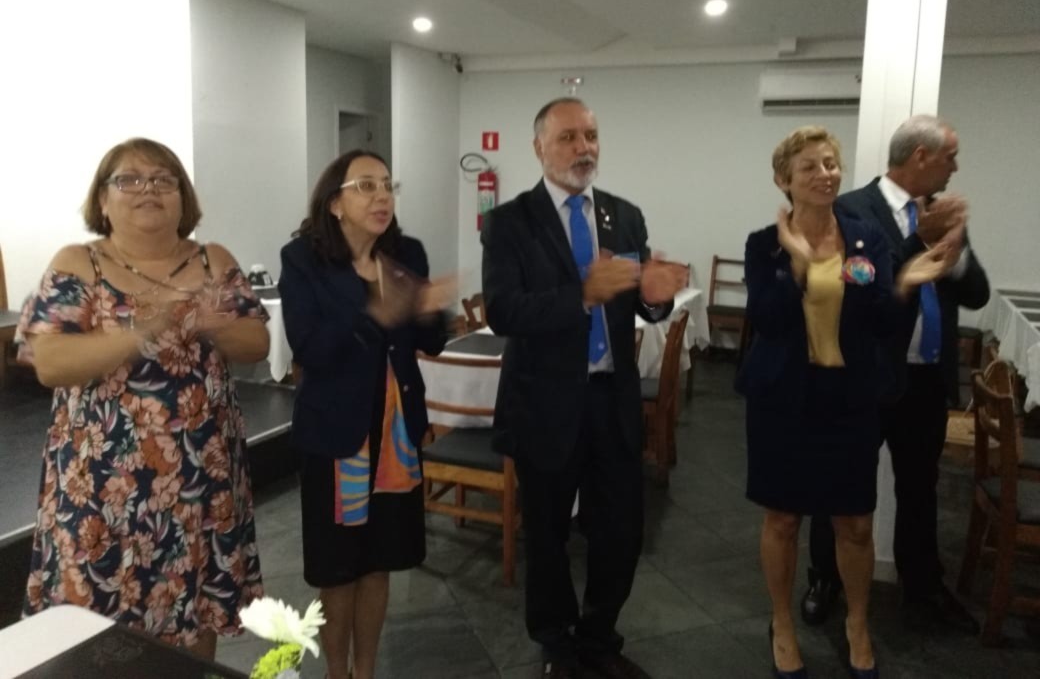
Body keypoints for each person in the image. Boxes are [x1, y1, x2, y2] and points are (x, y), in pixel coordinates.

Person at [15, 137, 269, 659]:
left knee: (196, 612)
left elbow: (256, 344)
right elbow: (51, 363)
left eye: (162, 179)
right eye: (128, 179)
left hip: (201, 483)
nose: (147, 189)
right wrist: (140, 331)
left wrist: (211, 322)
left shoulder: (212, 260)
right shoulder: (78, 263)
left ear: (183, 197)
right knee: (95, 632)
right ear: (102, 200)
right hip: (101, 491)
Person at [481, 98, 687, 679]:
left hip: (611, 401)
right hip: (544, 405)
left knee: (620, 530)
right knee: (547, 534)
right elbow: (503, 310)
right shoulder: (510, 222)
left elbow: (644, 306)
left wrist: (656, 296)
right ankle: (555, 640)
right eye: (569, 137)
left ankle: (599, 636)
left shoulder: (624, 216)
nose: (584, 148)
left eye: (591, 136)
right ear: (539, 147)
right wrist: (581, 295)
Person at [737, 126, 949, 679]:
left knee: (854, 522)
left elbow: (881, 320)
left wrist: (906, 283)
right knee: (783, 520)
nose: (825, 174)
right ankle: (782, 623)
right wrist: (799, 263)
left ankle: (857, 622)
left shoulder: (865, 238)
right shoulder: (764, 244)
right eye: (810, 166)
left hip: (849, 400)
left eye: (831, 163)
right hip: (783, 402)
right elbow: (769, 321)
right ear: (784, 180)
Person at [801, 115, 989, 636]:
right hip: (864, 376)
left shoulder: (941, 212)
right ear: (920, 157)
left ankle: (922, 586)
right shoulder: (850, 210)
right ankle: (825, 579)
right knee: (840, 483)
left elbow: (977, 294)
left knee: (921, 487)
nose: (956, 167)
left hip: (925, 379)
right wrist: (916, 244)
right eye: (950, 156)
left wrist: (955, 251)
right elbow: (852, 285)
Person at [279, 149, 451, 679]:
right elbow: (309, 347)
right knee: (338, 571)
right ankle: (338, 674)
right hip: (336, 434)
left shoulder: (405, 253)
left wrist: (431, 311)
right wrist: (376, 313)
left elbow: (431, 341)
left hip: (395, 431)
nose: (382, 196)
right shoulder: (303, 259)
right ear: (335, 203)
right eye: (366, 186)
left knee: (379, 563)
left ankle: (366, 671)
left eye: (387, 185)